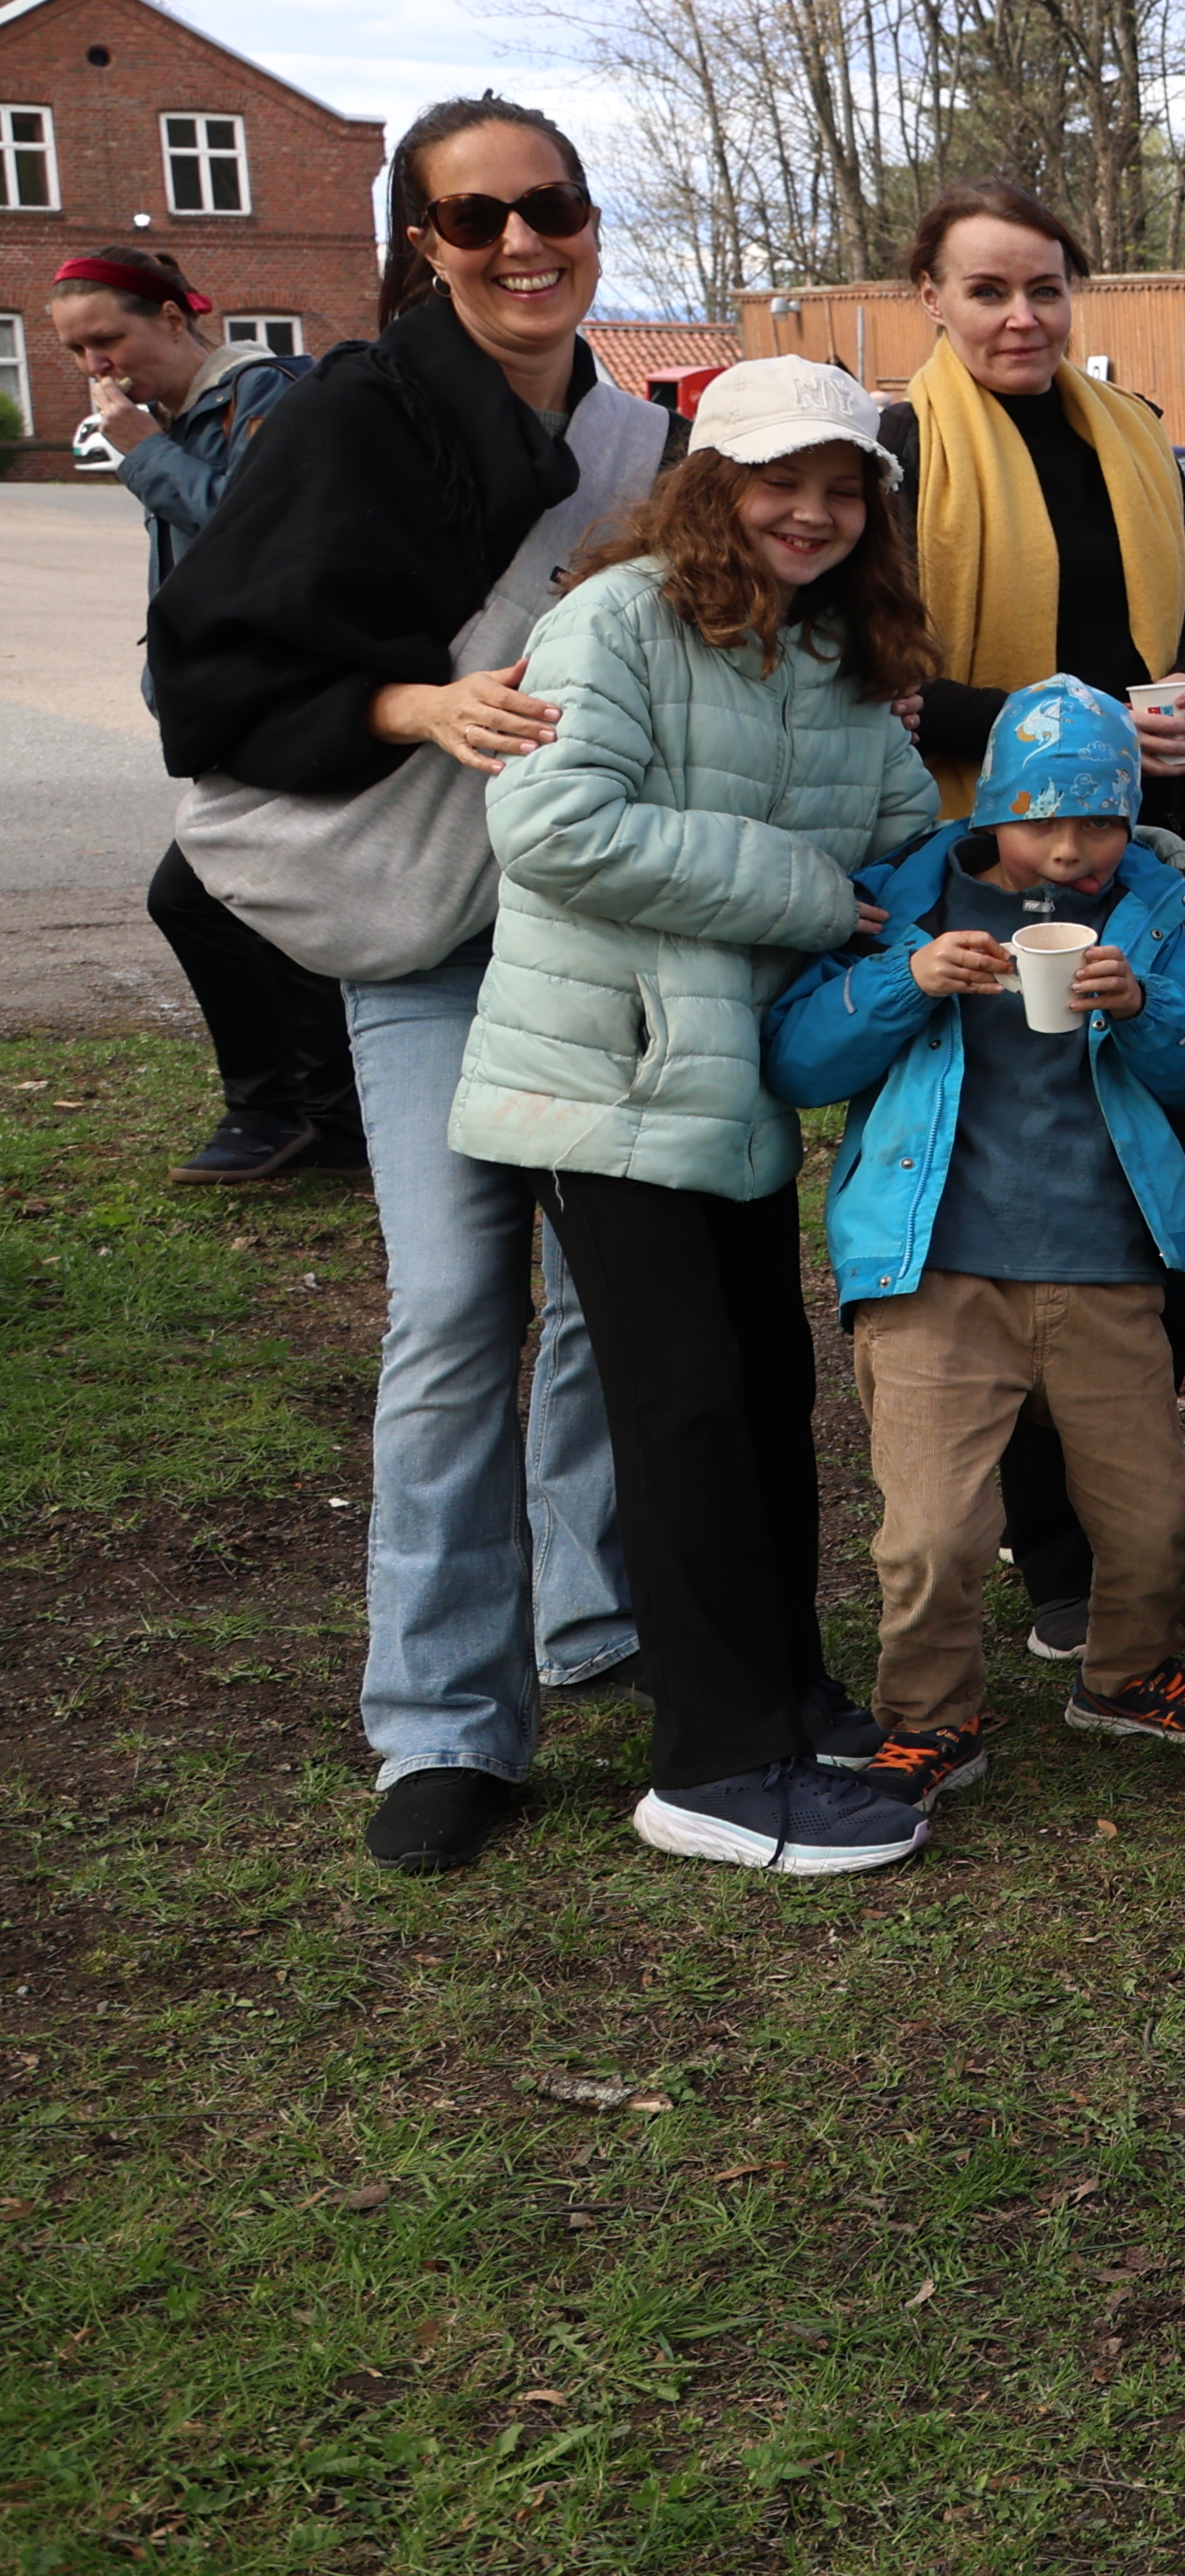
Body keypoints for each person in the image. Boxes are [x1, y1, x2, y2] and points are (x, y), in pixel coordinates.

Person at [148, 97, 665, 1878]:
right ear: (422, 244)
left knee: (606, 1288)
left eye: (555, 206)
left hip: (599, 929)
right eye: (479, 217)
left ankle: (597, 1610)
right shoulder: (355, 417)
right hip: (433, 928)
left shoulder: (629, 437)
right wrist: (415, 704)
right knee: (454, 1306)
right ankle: (444, 1719)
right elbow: (210, 672)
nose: (525, 242)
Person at [453, 358, 943, 1877]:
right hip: (603, 1077)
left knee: (762, 1390)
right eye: (779, 479)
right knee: (683, 1409)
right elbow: (549, 825)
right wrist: (806, 889)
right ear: (711, 485)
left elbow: (905, 837)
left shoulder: (834, 655)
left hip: (726, 1087)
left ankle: (783, 1697)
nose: (812, 509)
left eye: (843, 484)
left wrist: (1049, 874)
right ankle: (712, 1768)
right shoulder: (617, 618)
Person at [762, 676, 1185, 1798]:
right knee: (933, 1531)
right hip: (935, 1270)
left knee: (1153, 1513)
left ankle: (1128, 1674)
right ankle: (928, 1717)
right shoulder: (905, 902)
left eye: (1100, 822)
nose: (1074, 850)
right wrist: (907, 980)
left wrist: (1143, 1005)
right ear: (993, 811)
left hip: (1105, 1264)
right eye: (1046, 821)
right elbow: (797, 1061)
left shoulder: (1149, 907)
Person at [871, 178, 1185, 1658]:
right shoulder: (901, 446)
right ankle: (1050, 1550)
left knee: (1143, 1163)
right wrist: (1074, 729)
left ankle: (1117, 1488)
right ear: (934, 304)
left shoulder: (1136, 436)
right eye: (988, 292)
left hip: (1143, 853)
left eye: (1045, 289)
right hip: (987, 851)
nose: (1022, 317)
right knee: (1004, 1191)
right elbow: (891, 677)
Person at [56, 245, 354, 1184]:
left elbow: (252, 533)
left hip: (284, 704)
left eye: (108, 339)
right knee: (255, 904)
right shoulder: (183, 415)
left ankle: (280, 1114)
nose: (97, 366)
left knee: (197, 897)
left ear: (175, 320)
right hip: (235, 709)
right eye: (75, 351)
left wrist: (145, 456)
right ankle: (324, 1122)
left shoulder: (265, 398)